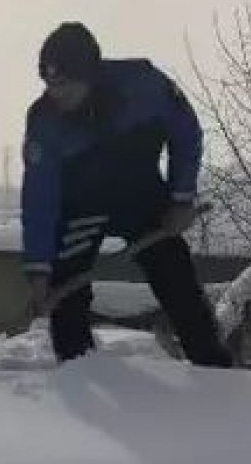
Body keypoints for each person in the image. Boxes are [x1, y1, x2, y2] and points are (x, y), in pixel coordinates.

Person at [20, 22, 232, 367]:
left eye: (65, 85)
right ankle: (78, 372)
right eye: (48, 84)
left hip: (141, 197)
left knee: (177, 281)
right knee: (66, 294)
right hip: (81, 206)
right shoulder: (44, 120)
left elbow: (186, 134)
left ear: (89, 74)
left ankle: (214, 368)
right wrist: (39, 271)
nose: (56, 95)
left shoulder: (144, 86)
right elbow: (39, 197)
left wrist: (181, 199)